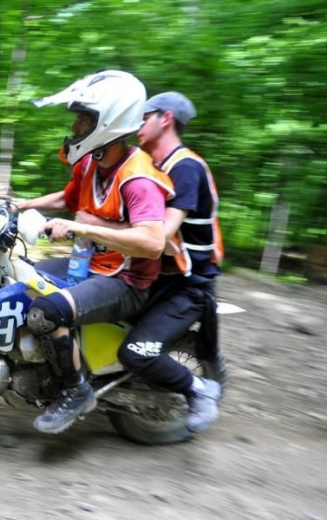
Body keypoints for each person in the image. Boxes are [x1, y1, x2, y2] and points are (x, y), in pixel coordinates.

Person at [15, 70, 174, 434]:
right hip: (88, 264)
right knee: (21, 280)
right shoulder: (91, 162)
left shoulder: (138, 178)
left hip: (126, 281)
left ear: (109, 122)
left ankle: (76, 390)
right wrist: (18, 206)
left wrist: (81, 227)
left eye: (83, 119)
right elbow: (65, 199)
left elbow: (153, 242)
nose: (74, 125)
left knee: (44, 313)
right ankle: (45, 368)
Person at [116, 91, 225, 433]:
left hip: (187, 287)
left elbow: (158, 237)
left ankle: (200, 391)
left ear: (166, 119)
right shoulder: (154, 168)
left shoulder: (186, 168)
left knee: (136, 353)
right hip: (159, 278)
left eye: (144, 117)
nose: (137, 126)